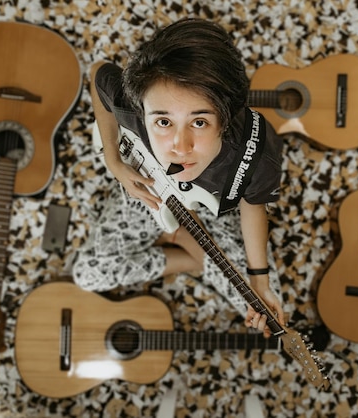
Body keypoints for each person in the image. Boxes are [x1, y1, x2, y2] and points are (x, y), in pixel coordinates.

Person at [74, 18, 285, 337]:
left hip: (217, 210)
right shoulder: (132, 103)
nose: (179, 147)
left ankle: (192, 248)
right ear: (142, 110)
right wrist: (113, 159)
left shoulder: (257, 158)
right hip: (147, 187)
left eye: (199, 122)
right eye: (162, 122)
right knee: (88, 275)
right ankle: (194, 257)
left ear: (225, 119)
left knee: (265, 310)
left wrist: (260, 280)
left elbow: (252, 205)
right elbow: (97, 72)